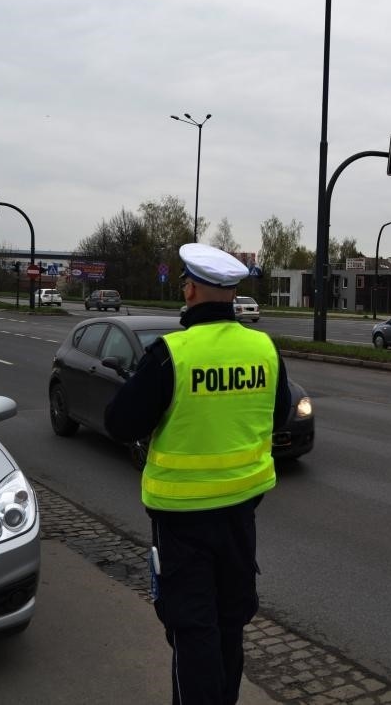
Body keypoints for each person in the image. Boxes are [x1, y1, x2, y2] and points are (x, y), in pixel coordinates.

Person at [105, 243, 291, 705]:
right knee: (230, 626)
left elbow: (120, 422)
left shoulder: (173, 353)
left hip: (183, 517)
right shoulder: (262, 346)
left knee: (193, 632)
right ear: (232, 296)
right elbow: (281, 413)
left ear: (188, 289)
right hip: (241, 515)